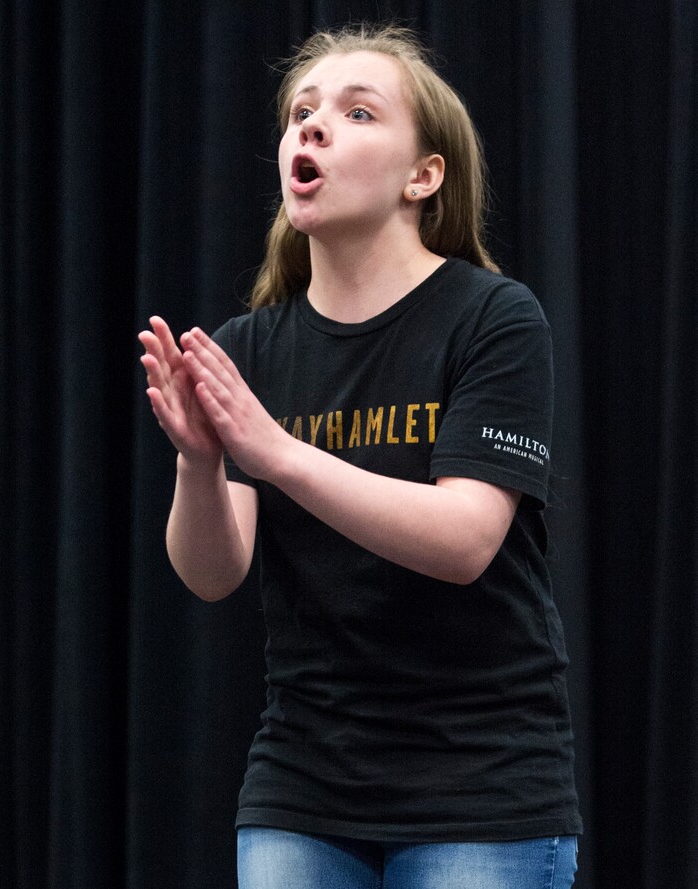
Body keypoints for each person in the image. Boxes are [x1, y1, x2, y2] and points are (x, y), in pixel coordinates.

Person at [139, 23, 582, 889]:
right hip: (303, 786)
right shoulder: (252, 348)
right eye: (301, 113)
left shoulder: (494, 319)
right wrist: (200, 464)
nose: (311, 126)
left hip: (483, 789)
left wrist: (277, 451)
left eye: (356, 111)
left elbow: (464, 539)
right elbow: (211, 573)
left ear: (424, 177)